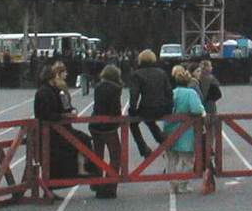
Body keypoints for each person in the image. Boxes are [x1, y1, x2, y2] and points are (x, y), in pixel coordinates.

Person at [34, 64, 96, 181]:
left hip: (57, 128)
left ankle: (81, 169)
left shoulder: (51, 90)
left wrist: (70, 110)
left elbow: (62, 107)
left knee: (83, 139)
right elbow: (46, 114)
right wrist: (64, 115)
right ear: (52, 77)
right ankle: (81, 170)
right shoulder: (45, 92)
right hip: (52, 131)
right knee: (84, 140)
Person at [164, 66, 206, 194]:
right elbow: (197, 110)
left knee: (171, 160)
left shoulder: (172, 92)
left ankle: (172, 185)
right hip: (185, 131)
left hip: (169, 129)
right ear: (188, 82)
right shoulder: (191, 93)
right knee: (188, 160)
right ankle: (183, 184)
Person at [128, 49, 172, 157]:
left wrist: (132, 110)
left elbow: (134, 94)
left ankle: (144, 148)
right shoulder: (161, 72)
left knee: (133, 123)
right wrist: (169, 107)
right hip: (162, 107)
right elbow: (169, 92)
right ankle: (161, 138)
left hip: (147, 107)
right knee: (149, 120)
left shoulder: (137, 74)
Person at [89, 64, 124, 199]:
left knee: (98, 155)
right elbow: (115, 109)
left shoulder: (98, 86)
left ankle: (96, 182)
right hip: (109, 127)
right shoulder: (116, 88)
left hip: (95, 124)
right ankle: (110, 185)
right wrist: (118, 120)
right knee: (116, 156)